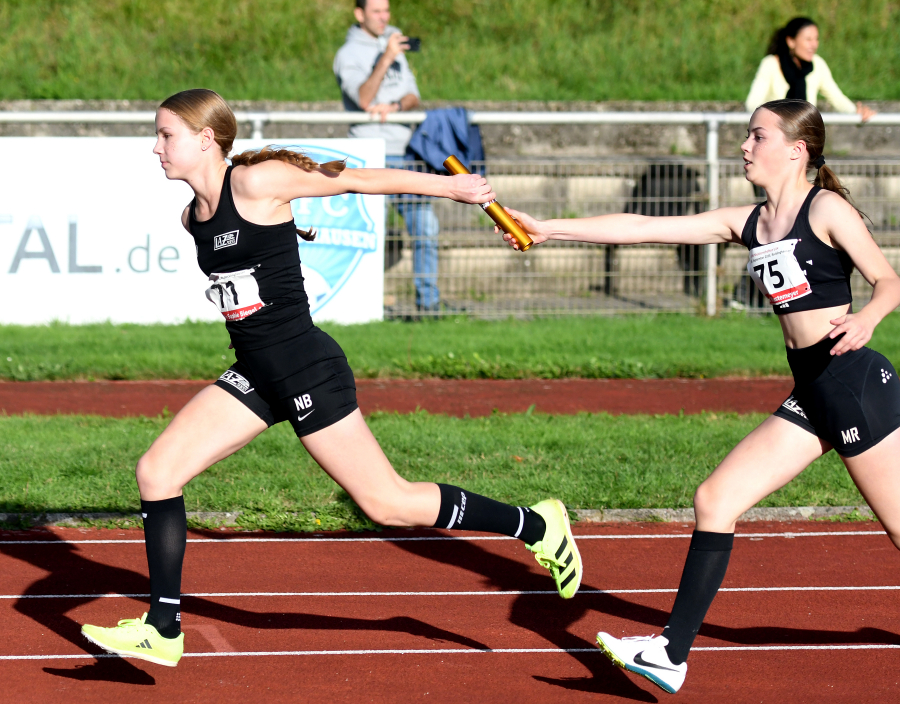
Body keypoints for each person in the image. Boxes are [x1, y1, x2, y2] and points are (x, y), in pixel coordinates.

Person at [78, 88, 582, 667]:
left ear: (205, 138)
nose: (156, 147)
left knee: (388, 503)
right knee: (157, 471)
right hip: (259, 375)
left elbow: (355, 180)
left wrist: (452, 187)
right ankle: (163, 629)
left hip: (306, 370)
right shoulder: (192, 216)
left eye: (166, 135)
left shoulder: (256, 183)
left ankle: (536, 523)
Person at [499, 98, 900, 694]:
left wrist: (869, 317)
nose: (744, 145)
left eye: (757, 136)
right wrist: (551, 227)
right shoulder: (751, 221)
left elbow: (889, 280)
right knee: (714, 499)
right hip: (814, 390)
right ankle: (669, 654)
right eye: (745, 134)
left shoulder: (828, 209)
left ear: (797, 150)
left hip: (854, 384)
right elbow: (645, 228)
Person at [334, 0, 443, 314]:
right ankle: (363, 307)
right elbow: (364, 98)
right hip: (369, 156)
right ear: (359, 14)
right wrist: (385, 59)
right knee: (369, 235)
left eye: (387, 11)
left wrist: (395, 107)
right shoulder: (348, 55)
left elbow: (413, 95)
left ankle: (429, 305)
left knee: (426, 227)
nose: (384, 18)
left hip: (404, 151)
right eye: (376, 12)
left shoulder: (395, 39)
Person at [745, 17, 876, 121]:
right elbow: (752, 104)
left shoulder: (818, 64)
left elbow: (836, 97)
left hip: (804, 134)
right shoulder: (770, 64)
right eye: (808, 39)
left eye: (816, 39)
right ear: (791, 41)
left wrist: (856, 112)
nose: (814, 45)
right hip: (775, 134)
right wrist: (781, 117)